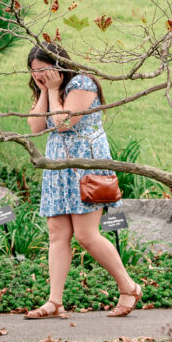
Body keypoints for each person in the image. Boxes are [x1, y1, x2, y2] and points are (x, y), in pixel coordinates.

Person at [24, 43, 142, 319]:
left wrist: (53, 91)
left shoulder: (82, 83)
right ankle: (54, 302)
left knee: (86, 235)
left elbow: (64, 123)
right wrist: (44, 90)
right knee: (57, 233)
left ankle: (129, 287)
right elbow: (36, 126)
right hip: (58, 168)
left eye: (43, 70)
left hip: (84, 167)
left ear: (58, 64)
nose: (39, 75)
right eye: (34, 72)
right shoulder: (48, 89)